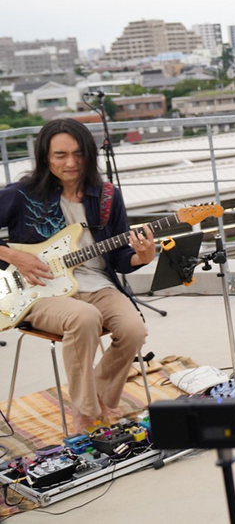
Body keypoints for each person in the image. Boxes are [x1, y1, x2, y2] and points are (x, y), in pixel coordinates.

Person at [0, 118, 156, 430]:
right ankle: (85, 415)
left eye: (78, 154)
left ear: (89, 154)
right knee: (84, 318)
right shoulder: (22, 194)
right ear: (45, 157)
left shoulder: (107, 196)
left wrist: (141, 257)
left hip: (97, 284)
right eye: (60, 155)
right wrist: (14, 256)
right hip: (39, 289)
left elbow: (119, 257)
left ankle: (98, 398)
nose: (71, 163)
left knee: (133, 329)